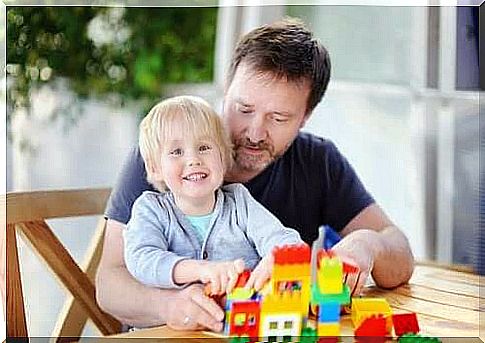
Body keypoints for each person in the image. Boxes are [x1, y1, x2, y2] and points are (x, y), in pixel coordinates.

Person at [96, 18, 414, 332]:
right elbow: (110, 283)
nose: (255, 132)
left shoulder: (317, 161)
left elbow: (399, 253)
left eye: (278, 117)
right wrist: (167, 305)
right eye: (244, 109)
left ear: (305, 116)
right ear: (226, 90)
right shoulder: (167, 155)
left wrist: (368, 246)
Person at [124, 95, 303, 297]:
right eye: (176, 151)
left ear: (223, 157)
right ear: (155, 168)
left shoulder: (239, 202)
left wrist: (278, 256)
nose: (193, 160)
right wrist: (200, 269)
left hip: (238, 322)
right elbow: (142, 259)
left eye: (204, 148)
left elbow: (284, 239)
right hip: (175, 326)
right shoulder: (150, 209)